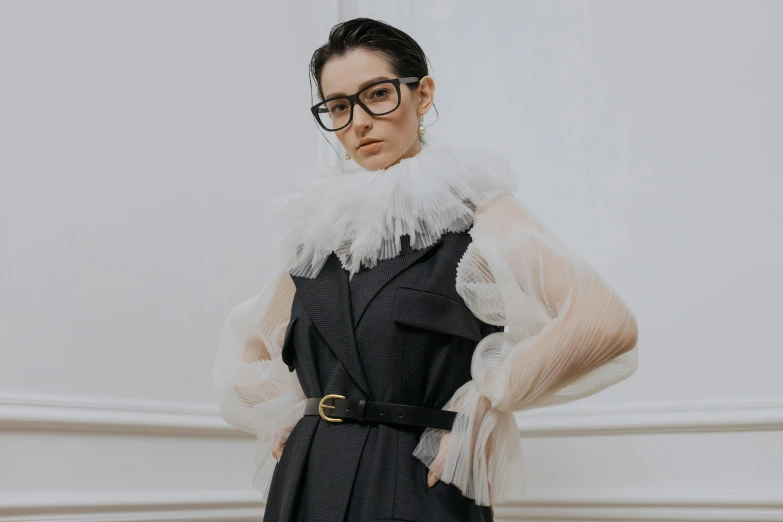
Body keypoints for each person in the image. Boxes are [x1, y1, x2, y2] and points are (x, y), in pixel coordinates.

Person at [212, 17, 639, 522]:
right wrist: (285, 416)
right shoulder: (319, 230)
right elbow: (249, 350)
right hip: (310, 478)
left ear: (423, 94)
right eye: (339, 107)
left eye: (377, 94)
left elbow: (603, 321)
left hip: (414, 477)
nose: (359, 122)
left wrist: (484, 401)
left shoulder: (478, 211)